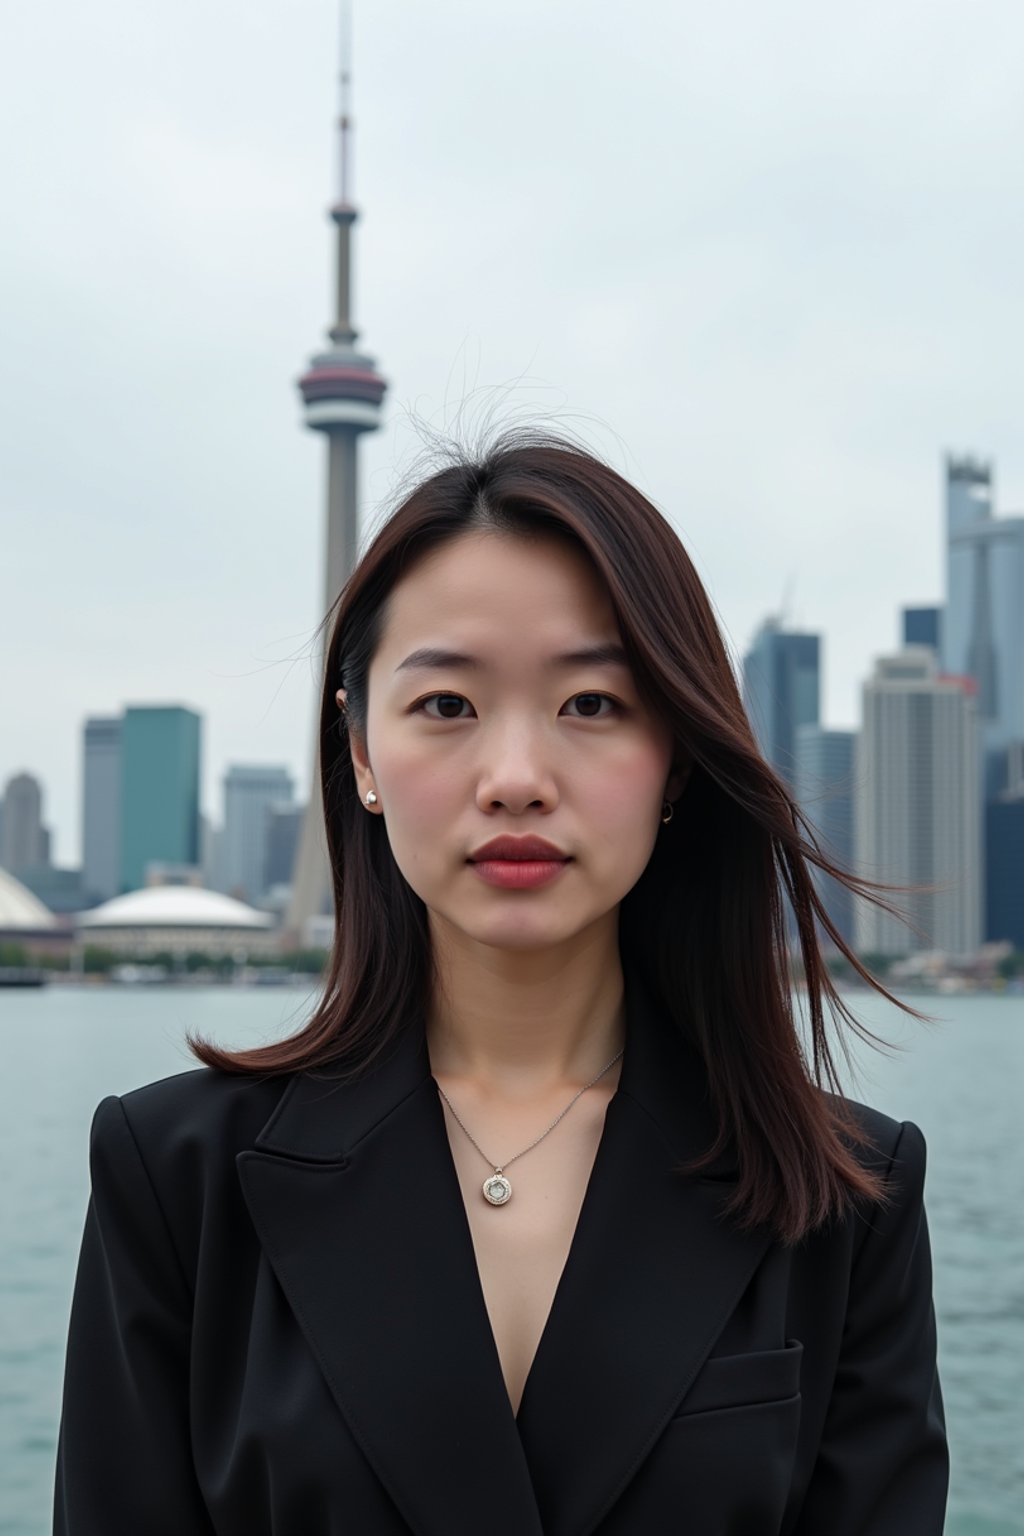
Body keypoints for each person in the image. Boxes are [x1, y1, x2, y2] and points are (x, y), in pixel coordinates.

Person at [53, 435, 948, 1534]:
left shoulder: (843, 1197)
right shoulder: (177, 1182)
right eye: (445, 706)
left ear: (673, 758)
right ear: (361, 752)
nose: (516, 779)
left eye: (591, 705)